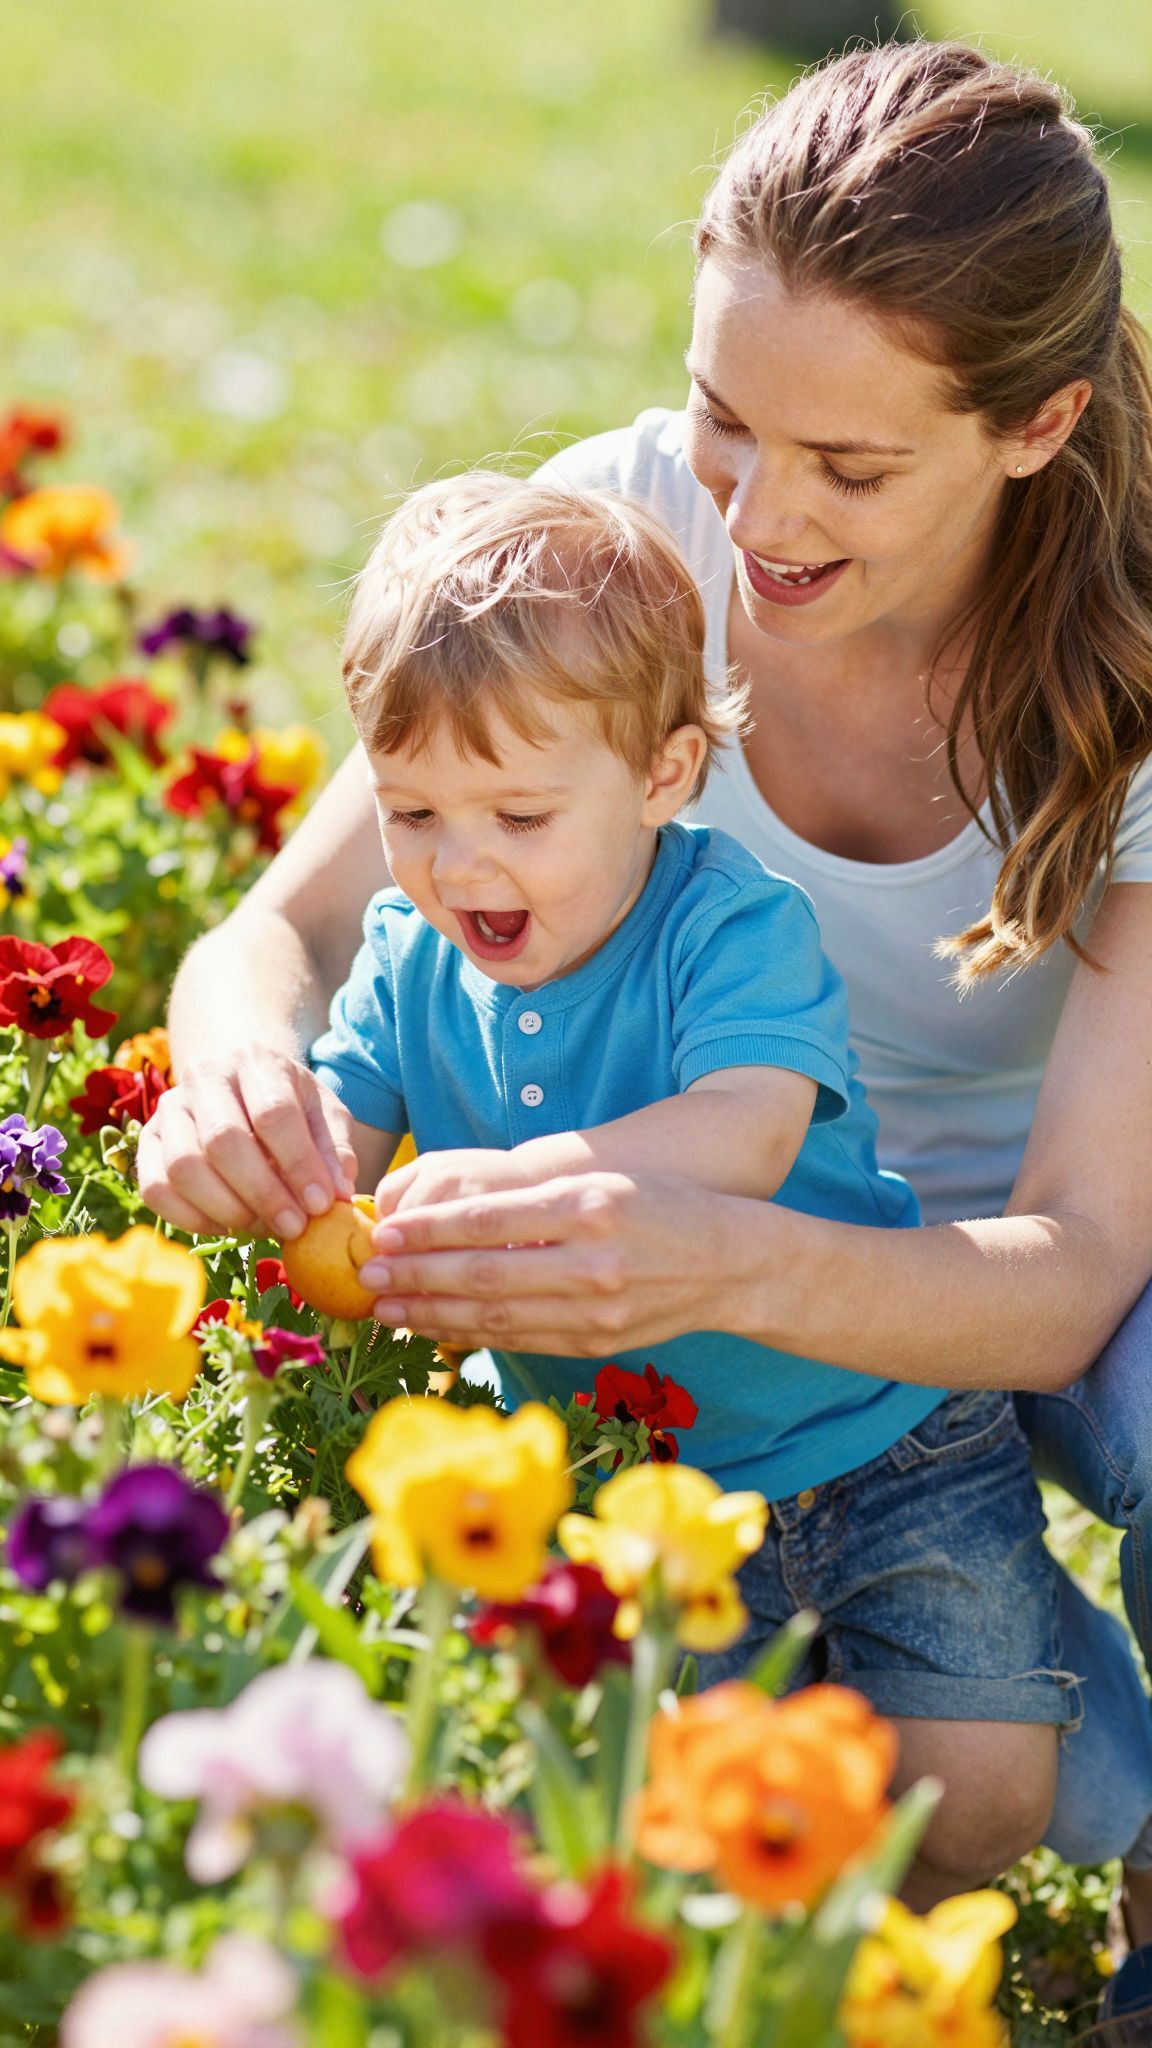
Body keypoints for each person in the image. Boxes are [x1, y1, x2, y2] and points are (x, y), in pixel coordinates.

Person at [139, 36, 1152, 1984]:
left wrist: (718, 1249)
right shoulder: (624, 538)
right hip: (735, 1312)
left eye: (852, 466)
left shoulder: (1128, 655)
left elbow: (1083, 1259)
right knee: (1053, 1778)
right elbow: (281, 927)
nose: (756, 517)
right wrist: (239, 1070)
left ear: (1036, 427)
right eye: (724, 417)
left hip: (1019, 1283)